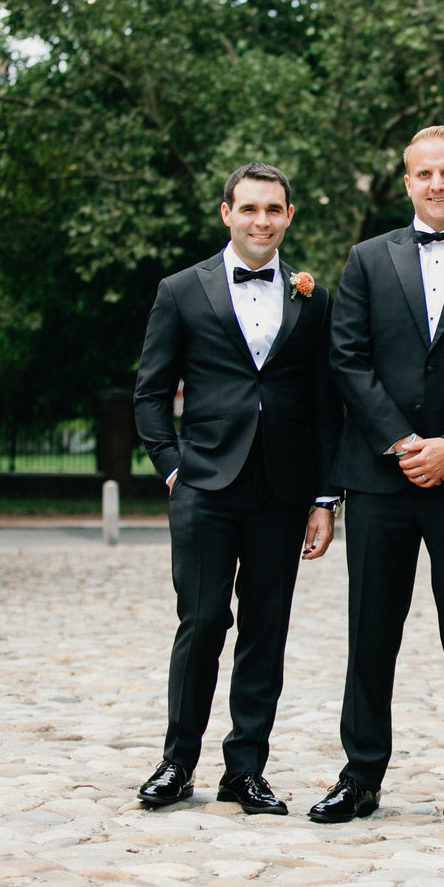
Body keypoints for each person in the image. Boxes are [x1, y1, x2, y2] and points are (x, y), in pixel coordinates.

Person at [311, 126, 444, 828]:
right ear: (407, 182)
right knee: (370, 630)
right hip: (380, 479)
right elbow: (346, 358)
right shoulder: (368, 259)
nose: (437, 183)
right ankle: (360, 776)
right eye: (423, 173)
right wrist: (404, 442)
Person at [132, 162, 340, 815]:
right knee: (201, 622)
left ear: (288, 216)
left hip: (283, 490)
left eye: (273, 209)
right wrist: (173, 467)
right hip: (205, 487)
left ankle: (245, 769)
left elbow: (325, 402)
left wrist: (325, 497)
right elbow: (150, 391)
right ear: (227, 212)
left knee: (265, 630)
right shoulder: (181, 289)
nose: (261, 220)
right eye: (249, 208)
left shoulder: (313, 297)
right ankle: (177, 762)